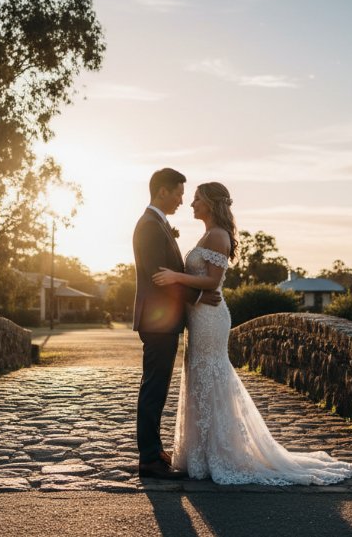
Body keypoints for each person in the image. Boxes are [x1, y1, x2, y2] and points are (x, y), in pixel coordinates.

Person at [152, 182, 352, 485]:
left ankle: (222, 453)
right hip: (198, 316)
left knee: (210, 376)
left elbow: (212, 282)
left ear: (210, 203)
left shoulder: (218, 235)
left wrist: (174, 277)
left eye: (196, 199)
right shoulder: (207, 234)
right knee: (199, 378)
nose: (191, 204)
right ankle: (202, 453)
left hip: (210, 317)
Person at [132, 168, 221, 479]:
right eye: (179, 194)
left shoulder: (157, 224)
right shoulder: (150, 226)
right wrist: (199, 296)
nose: (182, 201)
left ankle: (154, 451)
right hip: (158, 320)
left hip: (162, 320)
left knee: (157, 387)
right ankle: (149, 459)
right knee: (154, 388)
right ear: (162, 192)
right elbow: (161, 277)